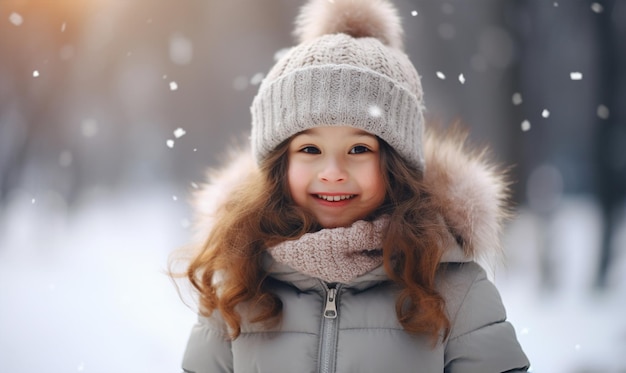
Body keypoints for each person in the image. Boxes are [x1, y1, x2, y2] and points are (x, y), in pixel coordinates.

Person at [175, 0, 530, 371]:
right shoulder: (239, 286)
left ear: (395, 163)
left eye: (359, 148)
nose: (332, 171)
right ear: (280, 164)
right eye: (310, 148)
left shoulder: (454, 290)